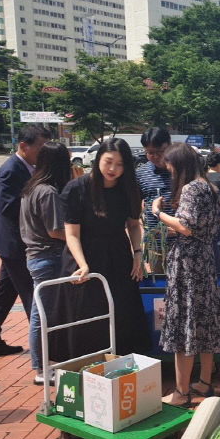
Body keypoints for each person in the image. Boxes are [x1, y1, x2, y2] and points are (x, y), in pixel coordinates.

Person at [51, 138, 151, 361]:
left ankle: (121, 365)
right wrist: (83, 264)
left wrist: (137, 255)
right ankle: (83, 366)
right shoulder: (77, 188)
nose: (113, 169)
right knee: (87, 314)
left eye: (120, 164)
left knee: (121, 312)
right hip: (84, 257)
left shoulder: (129, 189)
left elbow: (134, 226)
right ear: (97, 161)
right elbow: (72, 234)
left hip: (117, 256)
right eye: (108, 162)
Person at [151, 143, 220, 406]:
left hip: (187, 265)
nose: (170, 172)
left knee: (183, 326)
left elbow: (185, 227)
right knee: (205, 323)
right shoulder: (209, 187)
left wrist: (158, 213)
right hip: (206, 261)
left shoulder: (190, 189)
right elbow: (202, 225)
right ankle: (205, 382)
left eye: (171, 166)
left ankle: (181, 392)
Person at [0, 124, 50, 359]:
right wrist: (38, 207)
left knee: (5, 290)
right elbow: (8, 207)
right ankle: (44, 354)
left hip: (14, 241)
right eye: (41, 147)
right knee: (32, 294)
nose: (43, 152)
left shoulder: (28, 167)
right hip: (14, 243)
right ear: (24, 146)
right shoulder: (10, 170)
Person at [19, 142, 72, 384]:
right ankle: (41, 369)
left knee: (40, 313)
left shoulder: (32, 187)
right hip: (47, 257)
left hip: (36, 256)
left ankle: (42, 365)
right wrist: (77, 237)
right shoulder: (48, 192)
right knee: (43, 315)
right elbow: (55, 231)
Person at [136, 127, 172, 232]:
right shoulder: (140, 174)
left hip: (182, 242)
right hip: (152, 243)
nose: (156, 156)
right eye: (150, 153)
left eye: (161, 152)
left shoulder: (183, 171)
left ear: (170, 145)